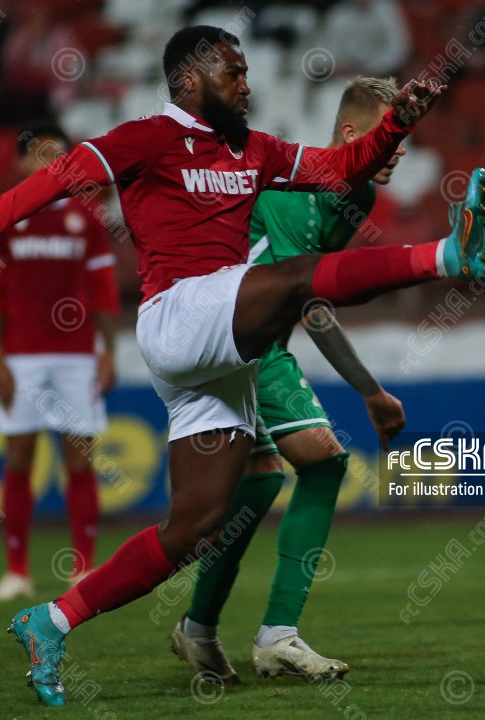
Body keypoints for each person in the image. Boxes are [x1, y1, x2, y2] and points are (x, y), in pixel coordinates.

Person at [0, 26, 485, 706]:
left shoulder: (256, 149)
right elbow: (58, 180)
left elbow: (340, 168)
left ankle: (53, 619)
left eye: (246, 72)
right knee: (296, 277)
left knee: (195, 527)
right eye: (232, 72)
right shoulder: (145, 138)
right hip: (180, 314)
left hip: (217, 356)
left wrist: (394, 124)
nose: (246, 85)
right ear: (188, 80)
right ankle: (448, 256)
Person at [172, 76, 408, 683]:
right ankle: (277, 635)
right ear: (355, 135)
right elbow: (309, 301)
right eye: (393, 133)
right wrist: (369, 390)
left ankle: (197, 628)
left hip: (246, 343)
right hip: (233, 341)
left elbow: (320, 290)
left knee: (255, 487)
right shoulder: (286, 187)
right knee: (324, 463)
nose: (402, 147)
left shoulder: (358, 201)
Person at [0, 122, 120, 602]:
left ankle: (84, 569)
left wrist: (109, 351)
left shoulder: (88, 215)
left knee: (78, 459)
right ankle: (17, 571)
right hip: (21, 354)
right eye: (41, 154)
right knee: (19, 457)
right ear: (22, 163)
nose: (51, 163)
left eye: (58, 154)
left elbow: (102, 287)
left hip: (77, 354)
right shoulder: (4, 215)